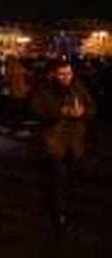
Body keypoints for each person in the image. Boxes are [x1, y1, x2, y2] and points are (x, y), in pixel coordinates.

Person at [30, 59, 96, 232]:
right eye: (62, 74)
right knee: (58, 179)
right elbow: (36, 110)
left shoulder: (79, 86)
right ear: (54, 74)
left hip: (75, 141)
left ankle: (72, 209)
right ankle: (60, 215)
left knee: (73, 178)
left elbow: (92, 108)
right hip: (55, 141)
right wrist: (60, 111)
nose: (66, 77)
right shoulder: (44, 88)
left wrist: (83, 112)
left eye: (69, 73)